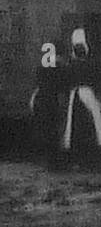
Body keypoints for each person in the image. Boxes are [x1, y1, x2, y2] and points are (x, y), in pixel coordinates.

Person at [62, 28, 101, 164]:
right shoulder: (91, 64)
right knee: (92, 124)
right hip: (88, 95)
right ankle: (92, 154)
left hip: (75, 96)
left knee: (76, 126)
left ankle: (77, 155)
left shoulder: (70, 65)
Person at [30, 41, 71, 169]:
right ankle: (56, 161)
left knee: (45, 130)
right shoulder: (61, 67)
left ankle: (48, 159)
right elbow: (64, 85)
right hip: (53, 101)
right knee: (55, 131)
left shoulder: (43, 65)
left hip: (41, 99)